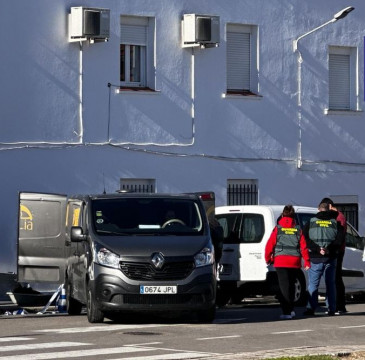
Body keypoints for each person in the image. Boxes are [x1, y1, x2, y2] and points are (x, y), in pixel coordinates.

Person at [265, 205, 310, 320]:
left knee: (284, 287)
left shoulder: (278, 229)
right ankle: (291, 310)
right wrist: (307, 262)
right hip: (294, 262)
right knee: (292, 286)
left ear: (283, 214)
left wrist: (268, 259)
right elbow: (304, 247)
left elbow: (269, 245)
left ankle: (287, 312)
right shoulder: (298, 229)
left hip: (281, 261)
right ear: (293, 215)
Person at [302, 201, 345, 316]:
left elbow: (304, 239)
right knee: (330, 284)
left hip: (315, 258)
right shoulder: (335, 223)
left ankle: (311, 308)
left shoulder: (310, 222)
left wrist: (317, 249)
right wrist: (328, 249)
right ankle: (331, 308)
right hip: (330, 258)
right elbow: (339, 240)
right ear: (329, 209)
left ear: (318, 209)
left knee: (313, 284)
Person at [320, 197, 348, 314]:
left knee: (336, 278)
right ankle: (337, 305)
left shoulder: (339, 217)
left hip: (338, 250)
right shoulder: (336, 216)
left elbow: (338, 236)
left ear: (330, 206)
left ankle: (339, 305)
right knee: (335, 277)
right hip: (334, 249)